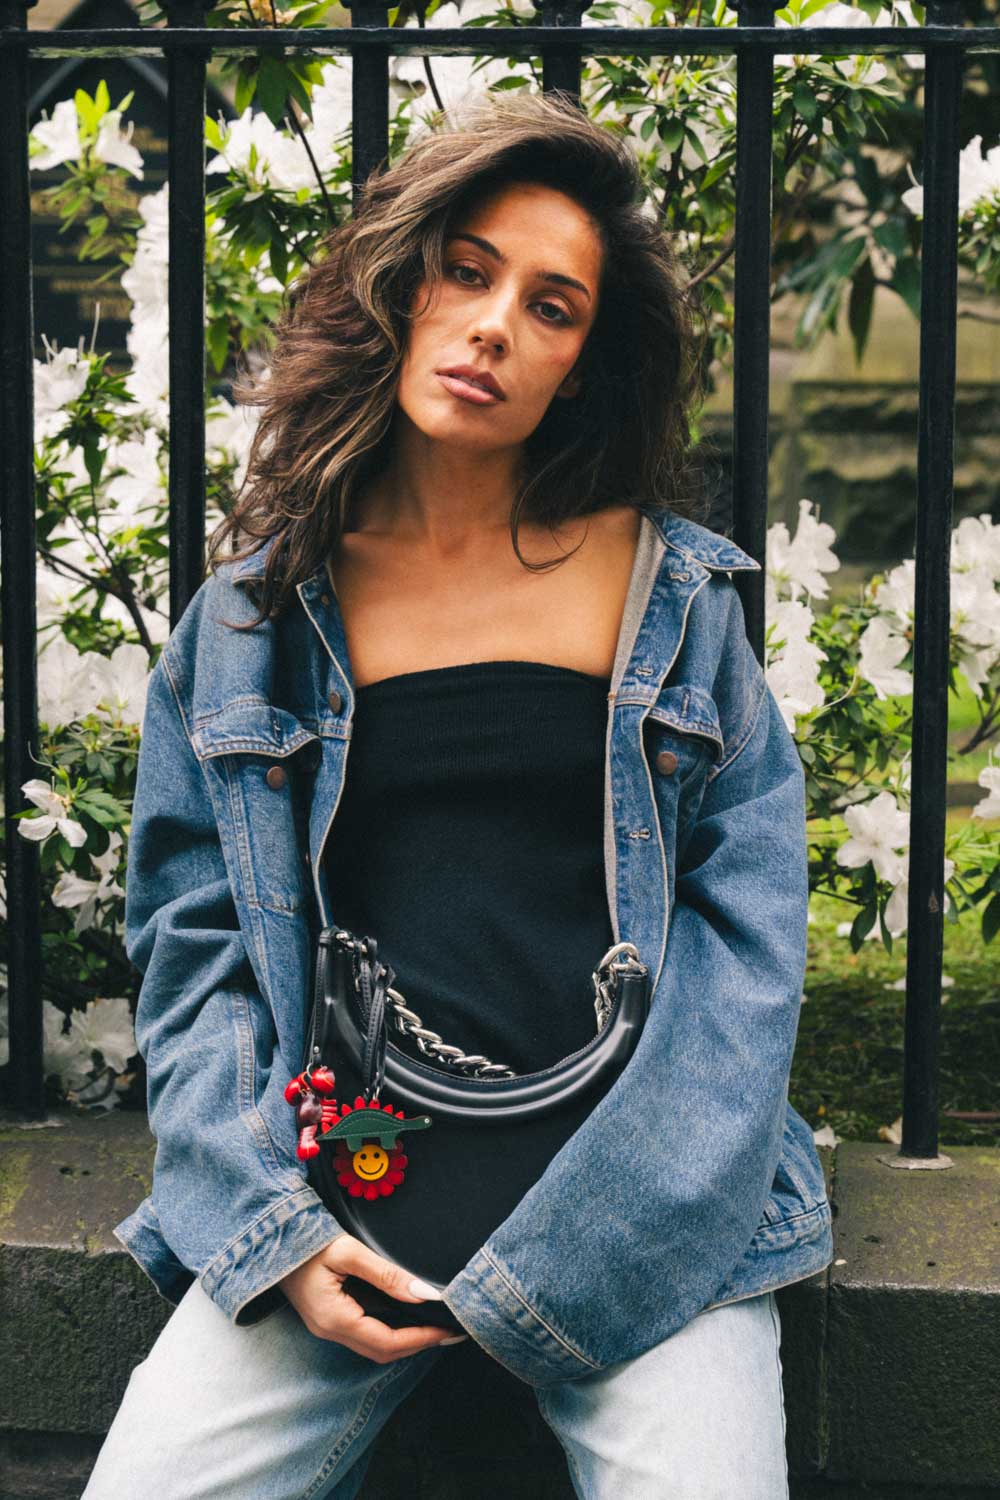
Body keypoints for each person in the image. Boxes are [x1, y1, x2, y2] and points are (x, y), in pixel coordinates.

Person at [82, 89, 833, 1498]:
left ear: (580, 365)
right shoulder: (249, 625)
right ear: (400, 279)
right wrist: (274, 1237)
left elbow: (746, 961)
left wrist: (582, 1266)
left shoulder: (674, 602)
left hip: (643, 1220)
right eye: (469, 268)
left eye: (552, 307)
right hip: (340, 1205)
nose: (494, 324)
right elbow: (196, 965)